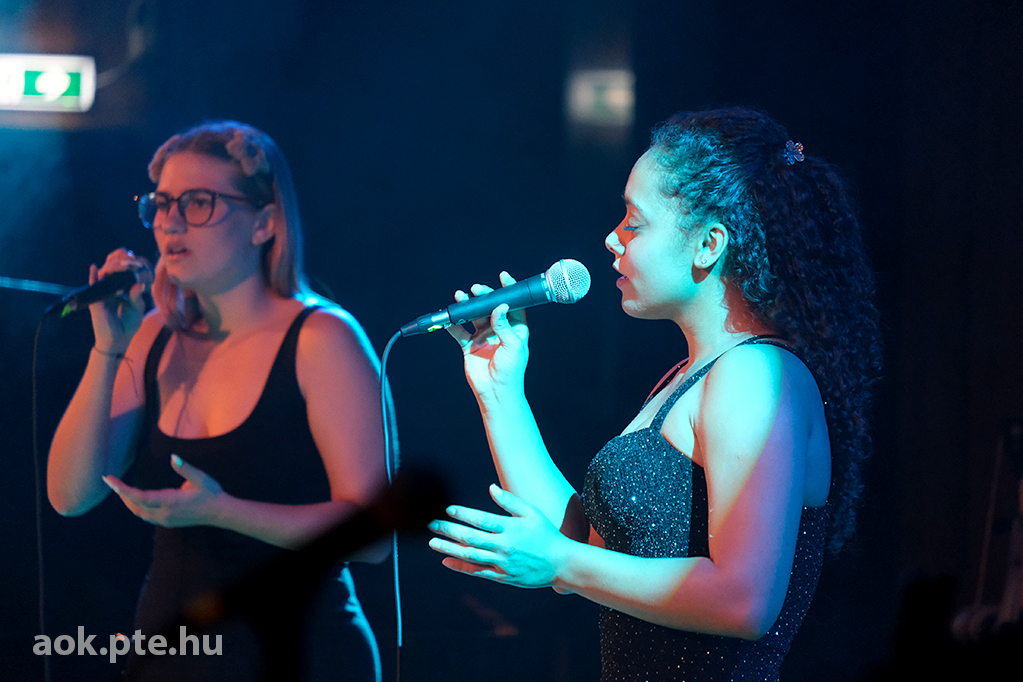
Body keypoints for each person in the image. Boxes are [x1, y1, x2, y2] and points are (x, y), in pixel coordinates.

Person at [428, 107, 882, 681]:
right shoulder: (688, 377)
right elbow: (589, 548)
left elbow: (744, 599)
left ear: (708, 244)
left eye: (634, 223)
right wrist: (501, 395)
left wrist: (561, 562)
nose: (611, 239)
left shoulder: (756, 374)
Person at [47, 121, 388, 681]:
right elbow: (69, 495)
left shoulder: (323, 338)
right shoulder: (153, 335)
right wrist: (107, 347)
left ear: (264, 223)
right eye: (160, 204)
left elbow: (373, 536)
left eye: (198, 202)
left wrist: (222, 511)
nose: (170, 222)